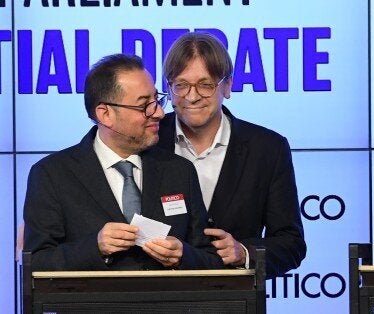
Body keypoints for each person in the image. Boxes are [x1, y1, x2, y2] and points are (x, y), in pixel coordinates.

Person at [23, 54, 223, 271]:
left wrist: (183, 256)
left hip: (168, 304)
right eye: (144, 105)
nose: (158, 112)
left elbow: (209, 258)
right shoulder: (52, 175)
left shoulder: (179, 171)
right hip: (92, 304)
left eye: (157, 100)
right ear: (105, 114)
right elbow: (37, 262)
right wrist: (95, 247)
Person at [157, 32, 306, 278]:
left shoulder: (268, 148)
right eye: (181, 85)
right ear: (169, 89)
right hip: (160, 297)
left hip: (235, 297)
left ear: (227, 86)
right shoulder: (148, 139)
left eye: (205, 85)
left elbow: (291, 243)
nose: (192, 97)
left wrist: (244, 253)